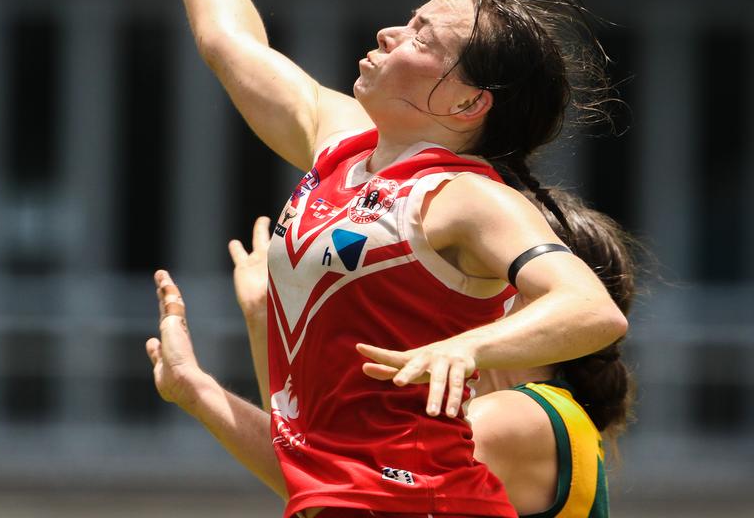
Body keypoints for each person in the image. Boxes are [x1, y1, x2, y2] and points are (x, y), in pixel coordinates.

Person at [145, 0, 628, 518]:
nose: (390, 31)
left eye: (423, 35)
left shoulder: (465, 198)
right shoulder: (339, 139)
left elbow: (591, 308)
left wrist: (467, 348)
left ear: (467, 101)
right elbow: (229, 41)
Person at [147, 186, 637, 518]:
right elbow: (321, 478)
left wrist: (200, 390)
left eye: (473, 260)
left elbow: (331, 481)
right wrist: (259, 323)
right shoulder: (535, 409)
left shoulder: (516, 416)